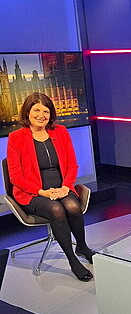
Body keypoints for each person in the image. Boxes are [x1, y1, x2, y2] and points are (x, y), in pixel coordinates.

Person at [7, 93, 94, 282]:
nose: (41, 115)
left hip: (60, 188)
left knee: (72, 206)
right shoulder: (16, 138)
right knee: (56, 210)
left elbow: (72, 165)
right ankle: (72, 260)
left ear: (51, 114)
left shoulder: (60, 131)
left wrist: (65, 187)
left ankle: (82, 246)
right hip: (33, 193)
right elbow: (15, 177)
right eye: (36, 110)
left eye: (45, 111)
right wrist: (41, 192)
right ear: (27, 112)